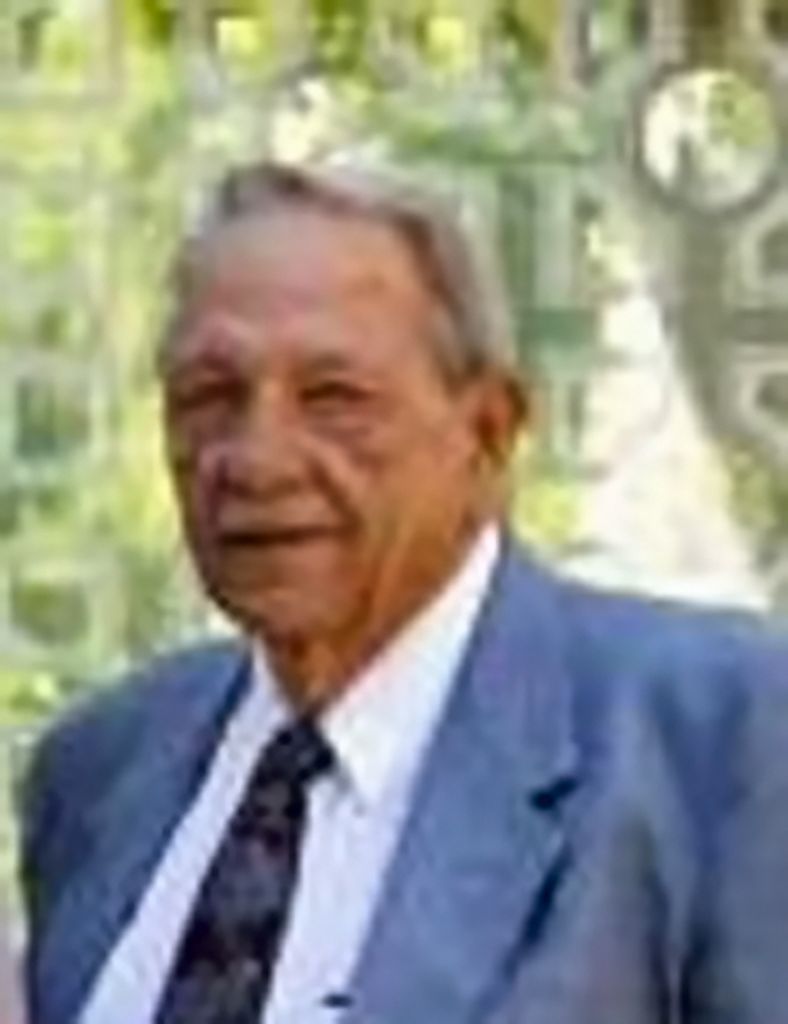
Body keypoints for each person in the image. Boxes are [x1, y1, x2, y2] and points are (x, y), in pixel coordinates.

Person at [18, 160, 788, 1024]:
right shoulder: (100, 767)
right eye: (210, 397)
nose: (257, 460)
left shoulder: (718, 732)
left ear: (488, 432)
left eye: (333, 398)